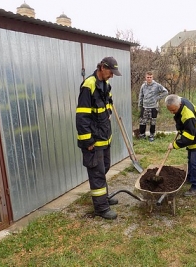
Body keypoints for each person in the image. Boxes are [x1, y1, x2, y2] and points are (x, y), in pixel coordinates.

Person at [76, 57, 122, 220]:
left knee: (104, 168)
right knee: (97, 173)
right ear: (102, 67)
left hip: (104, 138)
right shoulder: (89, 85)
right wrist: (88, 141)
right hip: (93, 141)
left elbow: (108, 105)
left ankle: (104, 198)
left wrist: (108, 114)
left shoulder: (106, 85)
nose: (112, 75)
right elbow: (82, 116)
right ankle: (101, 208)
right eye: (111, 71)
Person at [165, 94, 196, 196]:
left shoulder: (188, 115)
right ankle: (190, 177)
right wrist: (181, 129)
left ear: (179, 105)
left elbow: (189, 138)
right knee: (190, 159)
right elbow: (181, 120)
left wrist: (175, 145)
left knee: (195, 163)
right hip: (193, 133)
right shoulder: (178, 101)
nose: (172, 112)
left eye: (174, 110)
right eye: (170, 111)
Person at [138, 71, 168, 142]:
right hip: (145, 106)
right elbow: (141, 95)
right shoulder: (143, 85)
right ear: (145, 77)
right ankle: (142, 135)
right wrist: (140, 104)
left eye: (150, 77)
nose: (149, 79)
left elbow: (165, 92)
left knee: (152, 122)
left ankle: (151, 136)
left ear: (152, 77)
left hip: (153, 107)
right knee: (142, 122)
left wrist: (157, 98)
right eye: (148, 77)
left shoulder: (157, 85)